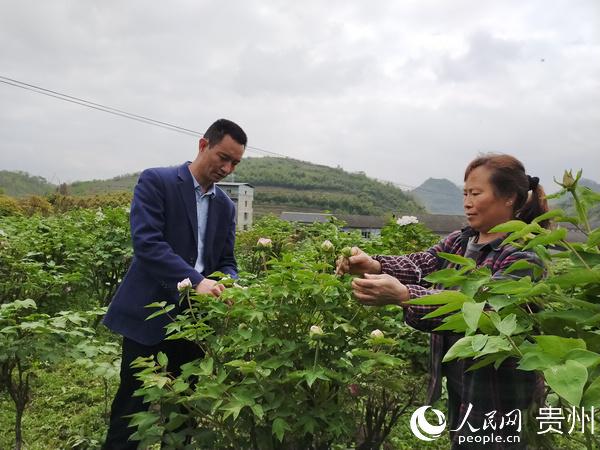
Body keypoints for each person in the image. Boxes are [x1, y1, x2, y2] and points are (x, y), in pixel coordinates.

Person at [336, 154, 548, 449]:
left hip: (500, 392)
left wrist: (406, 296)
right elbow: (423, 264)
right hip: (463, 386)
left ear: (509, 196)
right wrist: (375, 265)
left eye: (476, 193)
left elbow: (486, 311)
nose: (467, 202)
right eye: (465, 193)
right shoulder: (462, 241)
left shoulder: (523, 255)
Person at [102, 118, 247, 449]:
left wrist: (229, 283)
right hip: (148, 314)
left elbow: (226, 261)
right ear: (202, 145)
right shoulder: (158, 181)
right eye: (222, 157)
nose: (227, 168)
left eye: (235, 163)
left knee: (184, 410)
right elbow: (148, 245)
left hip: (194, 321)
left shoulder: (226, 206)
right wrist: (196, 281)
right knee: (131, 408)